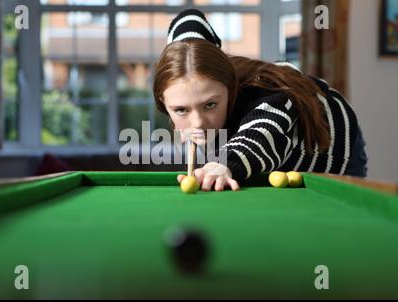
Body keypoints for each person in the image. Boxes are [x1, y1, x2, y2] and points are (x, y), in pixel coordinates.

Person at [153, 9, 368, 192]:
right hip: (281, 164)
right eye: (181, 109)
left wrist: (222, 165)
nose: (198, 122)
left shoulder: (263, 94)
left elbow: (262, 133)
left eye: (210, 104)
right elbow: (190, 19)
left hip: (336, 152)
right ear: (163, 103)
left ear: (231, 87)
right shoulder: (194, 100)